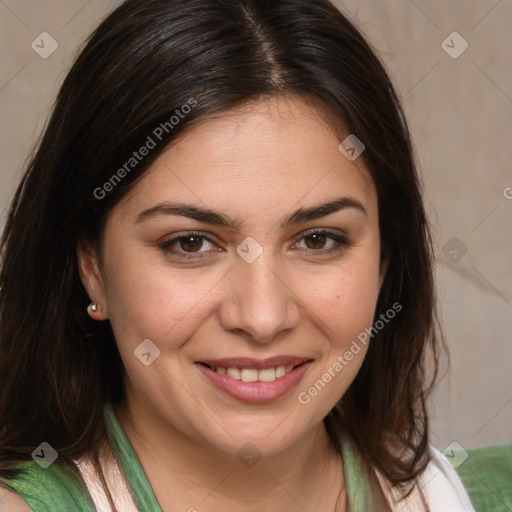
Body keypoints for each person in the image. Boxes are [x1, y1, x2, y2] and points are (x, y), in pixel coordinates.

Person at [0, 0, 476, 510]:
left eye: (318, 239)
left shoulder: (452, 492)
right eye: (191, 243)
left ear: (385, 262)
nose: (263, 317)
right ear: (91, 268)